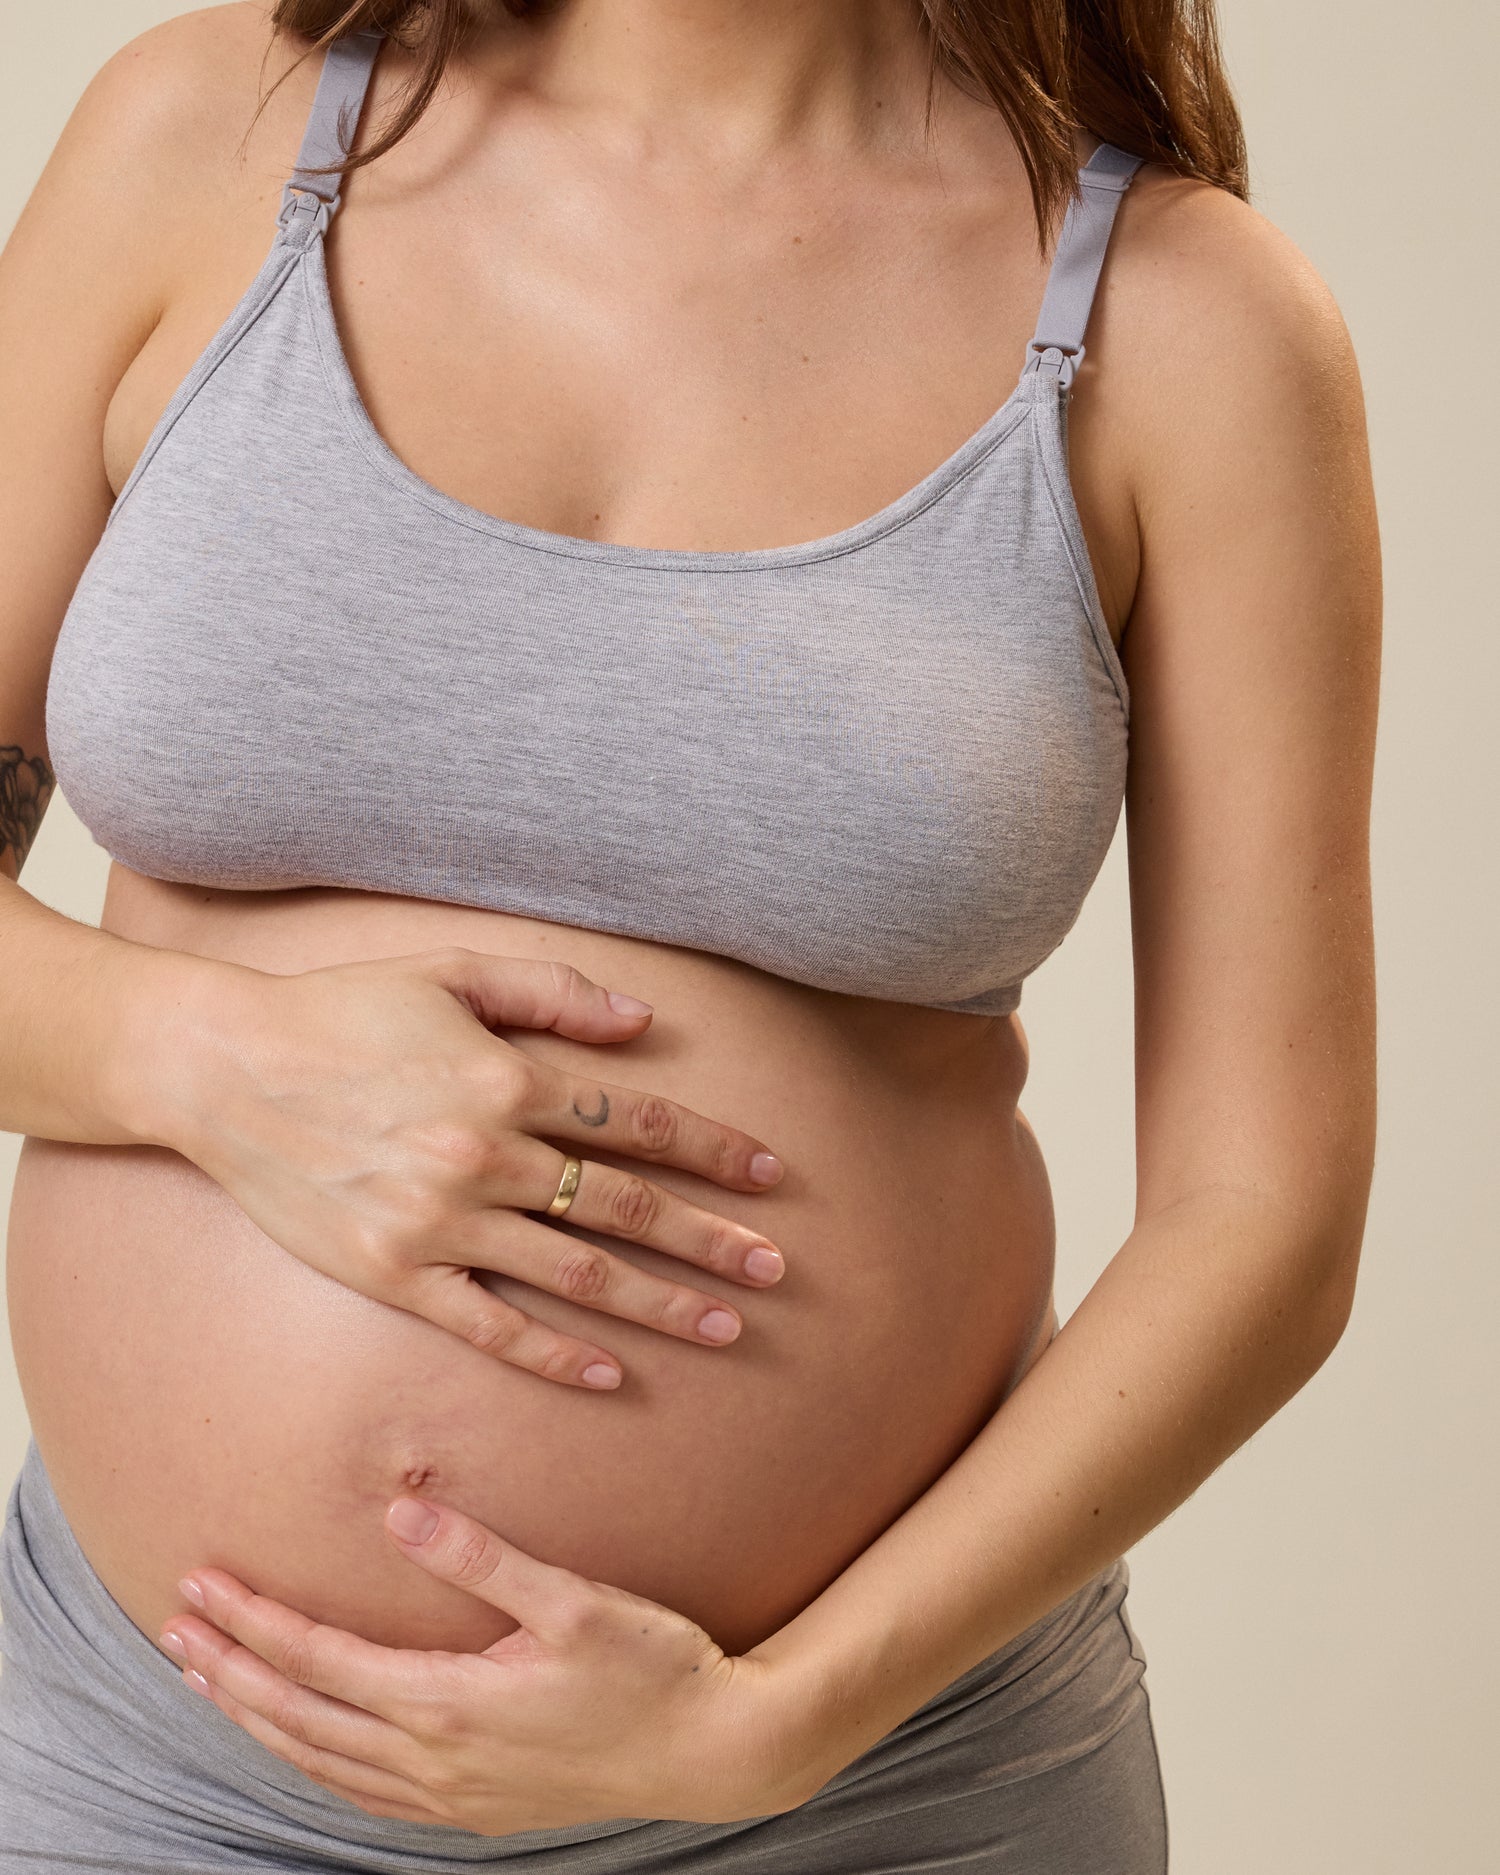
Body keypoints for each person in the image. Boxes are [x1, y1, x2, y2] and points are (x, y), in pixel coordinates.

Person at [0, 1, 1380, 1868]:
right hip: (148, 1773)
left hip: (884, 1793)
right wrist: (209, 1063)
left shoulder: (1186, 327)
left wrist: (772, 1724)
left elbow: (1264, 1217)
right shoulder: (208, 138)